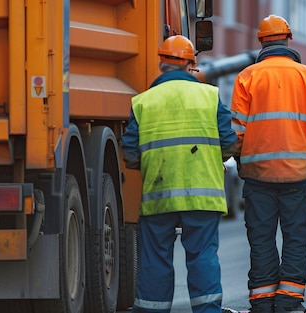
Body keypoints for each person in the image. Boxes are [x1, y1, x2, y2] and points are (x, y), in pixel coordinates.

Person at [121, 35, 237, 313]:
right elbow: (230, 142)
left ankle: (152, 310)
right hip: (203, 195)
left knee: (155, 258)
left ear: (162, 64)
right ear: (189, 65)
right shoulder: (209, 96)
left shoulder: (143, 101)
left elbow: (130, 154)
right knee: (202, 257)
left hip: (159, 196)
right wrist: (213, 158)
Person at [230, 14, 306, 313]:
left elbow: (238, 129)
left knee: (261, 239)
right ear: (289, 39)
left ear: (261, 41)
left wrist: (238, 156)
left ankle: (262, 302)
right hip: (298, 177)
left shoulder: (247, 77)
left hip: (259, 177)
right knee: (296, 239)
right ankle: (289, 302)